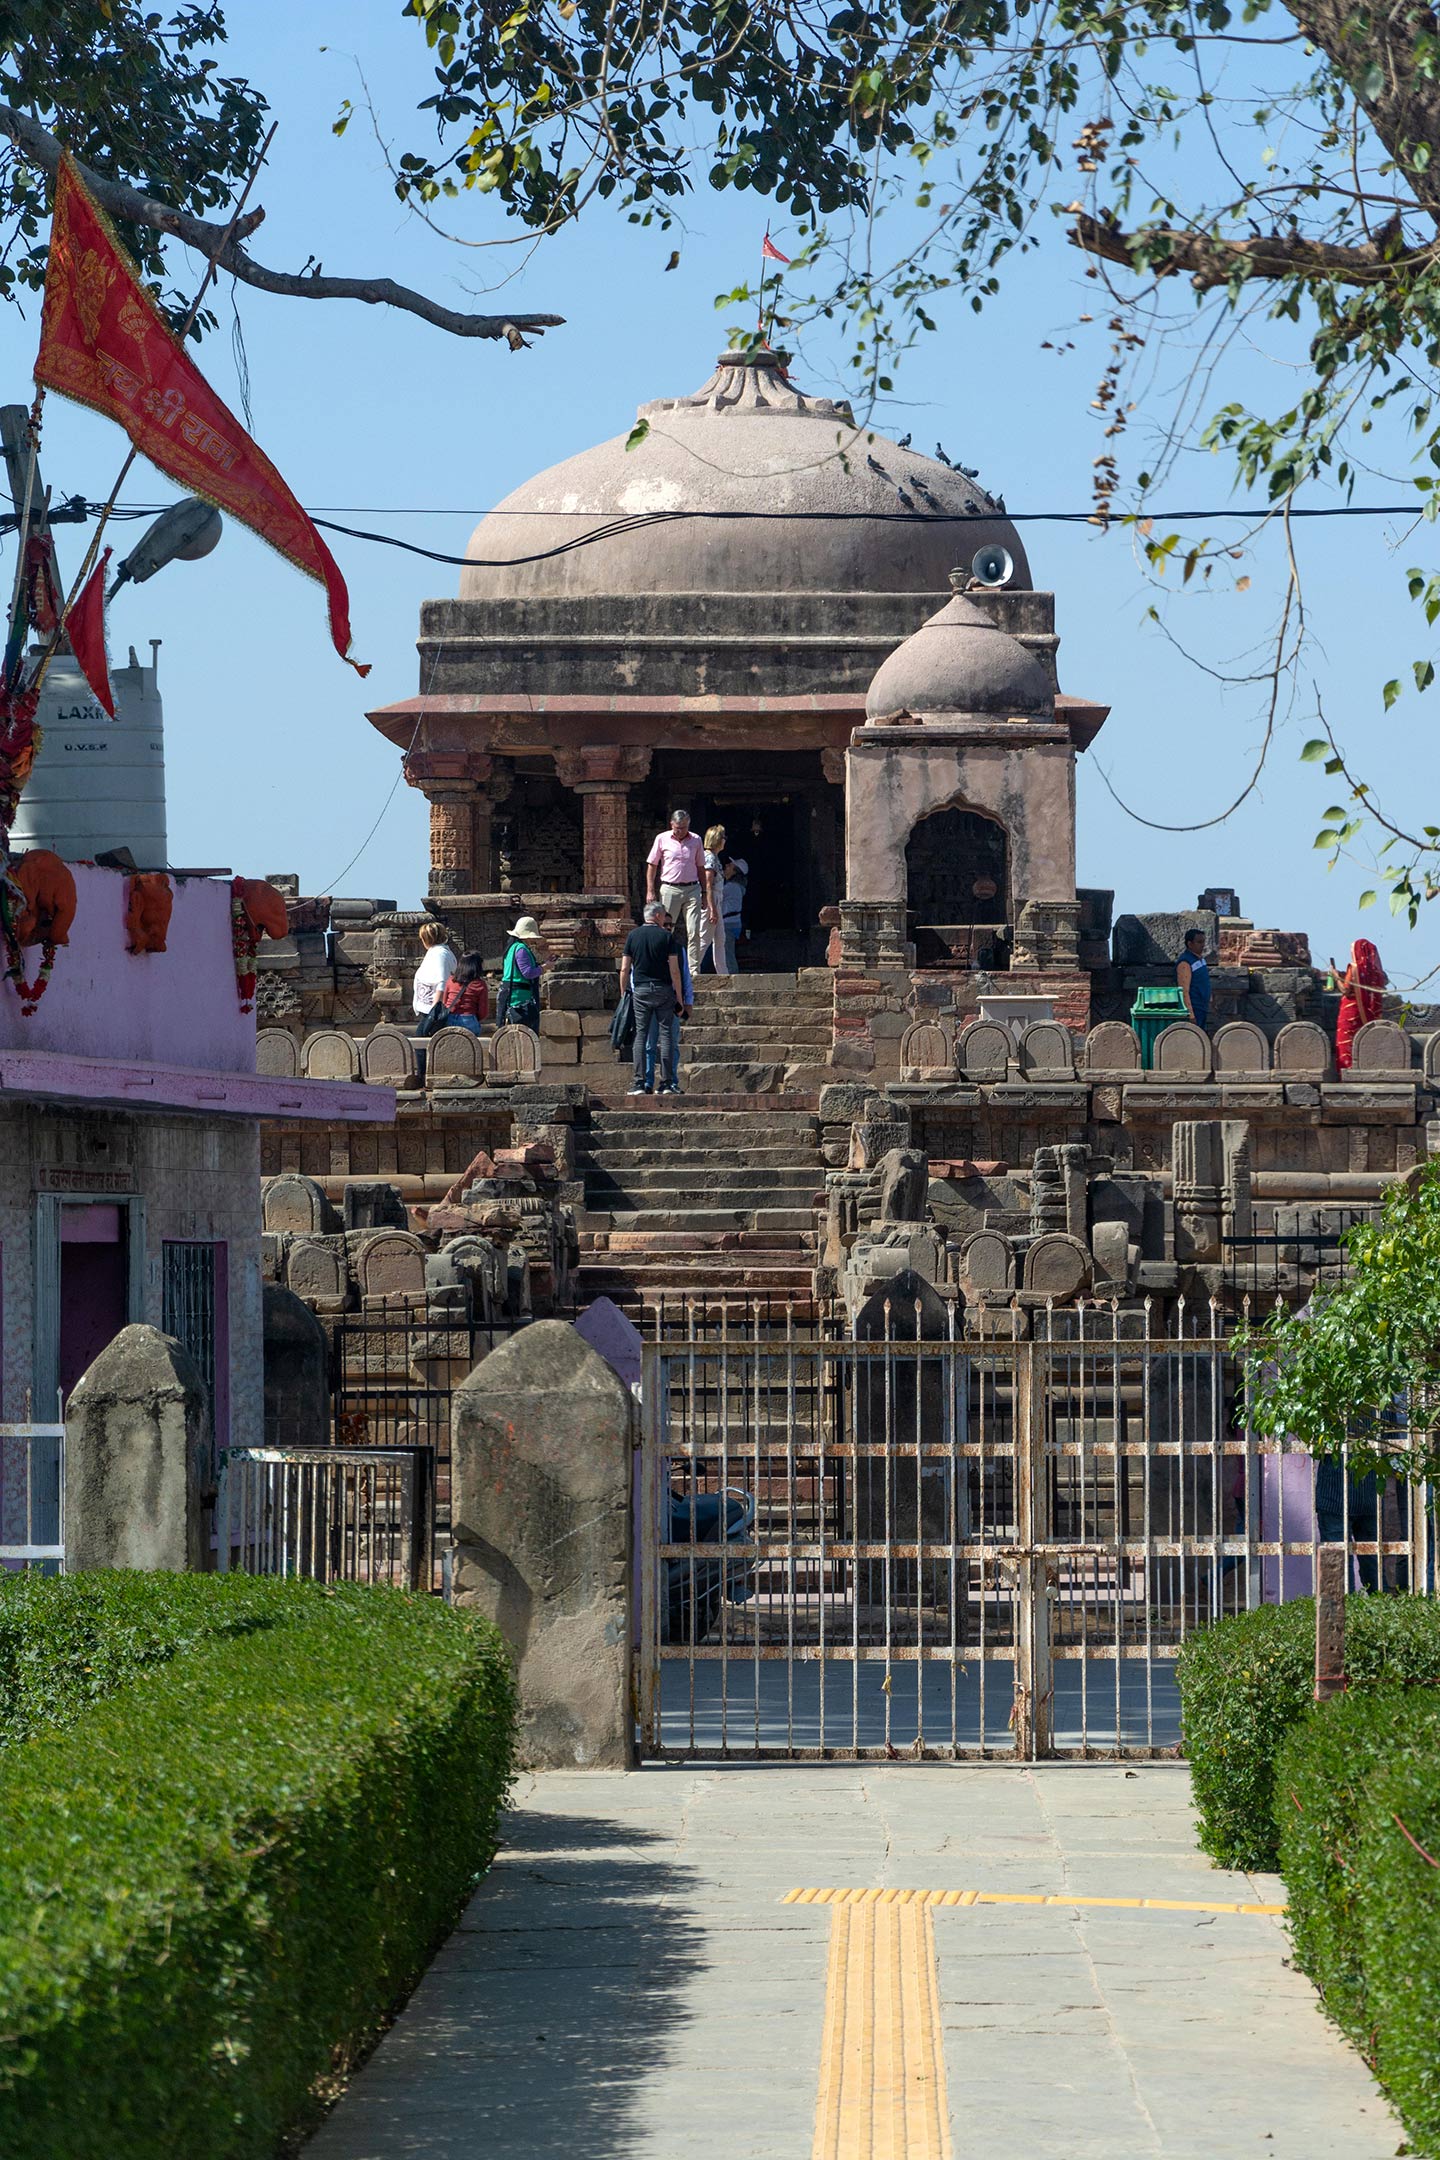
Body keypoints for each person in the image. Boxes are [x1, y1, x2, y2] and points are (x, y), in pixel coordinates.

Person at [620, 900, 684, 1095]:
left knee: (641, 1035)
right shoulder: (666, 937)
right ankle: (666, 1082)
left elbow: (624, 968)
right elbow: (674, 970)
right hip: (663, 988)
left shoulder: (633, 936)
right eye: (664, 915)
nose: (665, 918)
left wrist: (624, 994)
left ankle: (639, 1082)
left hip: (640, 989)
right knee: (666, 1036)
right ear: (657, 916)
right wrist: (679, 997)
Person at [645, 808, 713, 976]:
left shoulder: (696, 840)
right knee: (666, 928)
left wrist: (704, 893)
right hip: (670, 887)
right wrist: (650, 890)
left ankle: (693, 970)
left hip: (692, 888)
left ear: (688, 825)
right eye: (677, 828)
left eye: (683, 828)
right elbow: (652, 865)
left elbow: (700, 867)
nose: (680, 831)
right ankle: (663, 966)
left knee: (694, 930)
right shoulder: (662, 839)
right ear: (671, 824)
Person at [644, 914, 693, 1093]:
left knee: (671, 1043)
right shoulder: (647, 947)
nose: (667, 928)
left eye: (670, 925)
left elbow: (684, 976)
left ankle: (670, 1081)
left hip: (671, 1000)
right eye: (664, 924)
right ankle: (647, 1082)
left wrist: (688, 1001)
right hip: (649, 999)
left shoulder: (679, 950)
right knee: (650, 1044)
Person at [1330, 937, 1387, 1070]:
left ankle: (1346, 1070)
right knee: (1363, 1040)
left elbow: (1345, 989)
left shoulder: (1354, 968)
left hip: (1351, 1010)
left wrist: (1335, 976)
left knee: (1345, 1041)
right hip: (1368, 1011)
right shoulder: (1376, 972)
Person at [696, 824, 731, 975]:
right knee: (705, 938)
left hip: (717, 899)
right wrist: (712, 909)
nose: (725, 840)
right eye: (723, 837)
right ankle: (692, 970)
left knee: (720, 938)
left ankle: (723, 973)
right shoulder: (709, 858)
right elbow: (707, 884)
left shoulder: (715, 858)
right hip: (711, 900)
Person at [499, 915, 543, 1033]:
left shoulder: (512, 948)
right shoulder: (521, 949)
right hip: (519, 997)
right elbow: (527, 973)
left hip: (511, 994)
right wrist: (544, 968)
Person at [411, 920, 457, 1021]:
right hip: (428, 1007)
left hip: (432, 1009)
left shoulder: (439, 954)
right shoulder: (435, 952)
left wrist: (435, 1011)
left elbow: (442, 982)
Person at [440, 951, 489, 1035]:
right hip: (469, 1020)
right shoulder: (480, 985)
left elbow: (444, 1003)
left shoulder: (451, 981)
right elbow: (483, 1012)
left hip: (450, 1018)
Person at [1177, 926, 1211, 1031]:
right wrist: (1191, 1015)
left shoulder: (1201, 960)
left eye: (1203, 942)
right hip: (1195, 1008)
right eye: (1199, 942)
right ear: (1190, 944)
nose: (1203, 945)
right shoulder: (1185, 962)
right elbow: (1184, 990)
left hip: (1203, 1007)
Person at [719, 853, 748, 973]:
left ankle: (732, 975)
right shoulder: (738, 887)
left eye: (730, 865)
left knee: (727, 953)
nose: (726, 866)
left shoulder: (731, 887)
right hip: (732, 923)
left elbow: (717, 896)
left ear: (735, 871)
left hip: (728, 924)